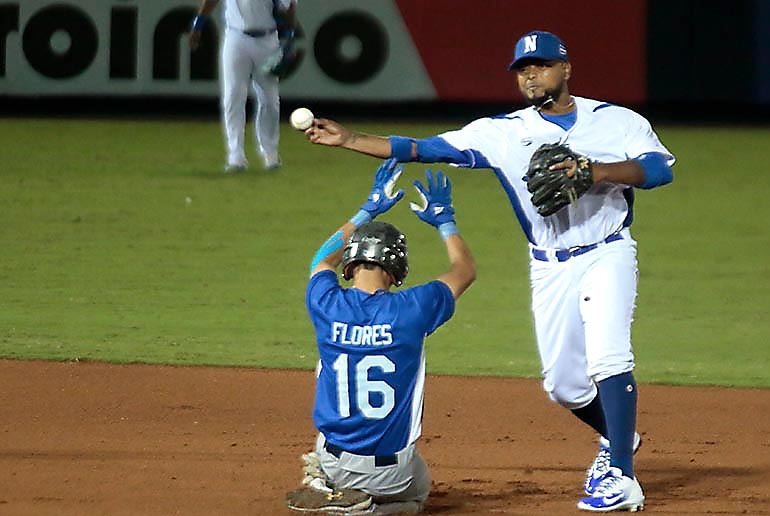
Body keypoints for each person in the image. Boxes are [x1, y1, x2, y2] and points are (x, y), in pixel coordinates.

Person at [302, 30, 675, 513]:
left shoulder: (616, 121)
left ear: (566, 69)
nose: (530, 75)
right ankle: (620, 439)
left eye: (540, 65)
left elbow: (659, 170)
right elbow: (421, 148)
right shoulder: (501, 132)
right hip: (548, 264)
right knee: (563, 385)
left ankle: (621, 476)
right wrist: (350, 138)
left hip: (608, 251)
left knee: (607, 356)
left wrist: (595, 171)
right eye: (522, 69)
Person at [295, 159, 476, 514]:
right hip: (392, 474)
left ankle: (326, 482)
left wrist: (368, 209)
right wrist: (445, 221)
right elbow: (464, 270)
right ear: (396, 272)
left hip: (335, 461)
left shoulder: (326, 303)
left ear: (349, 266)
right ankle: (369, 512)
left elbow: (321, 259)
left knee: (326, 436)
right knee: (417, 495)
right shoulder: (413, 309)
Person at [189, 0, 298, 172]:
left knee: (269, 99)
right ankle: (235, 156)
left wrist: (289, 40)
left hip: (267, 39)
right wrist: (198, 24)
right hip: (236, 37)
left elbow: (289, 8)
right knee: (233, 96)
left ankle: (270, 152)